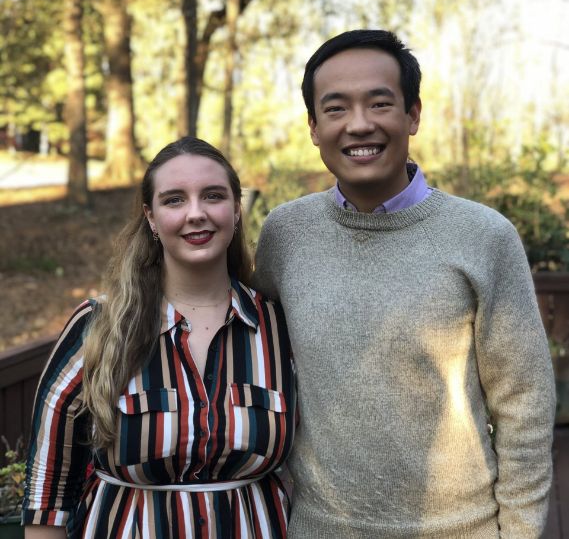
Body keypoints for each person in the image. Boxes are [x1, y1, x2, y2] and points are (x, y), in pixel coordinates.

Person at [253, 29, 556, 538]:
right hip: (314, 528)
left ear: (413, 115)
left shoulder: (483, 236)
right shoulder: (284, 234)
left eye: (379, 103)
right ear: (312, 126)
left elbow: (524, 401)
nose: (359, 125)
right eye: (335, 108)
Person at [23, 136, 296, 538]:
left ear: (236, 210)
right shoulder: (98, 326)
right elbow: (49, 493)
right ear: (151, 217)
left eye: (213, 196)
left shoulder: (277, 326)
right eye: (174, 200)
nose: (196, 213)